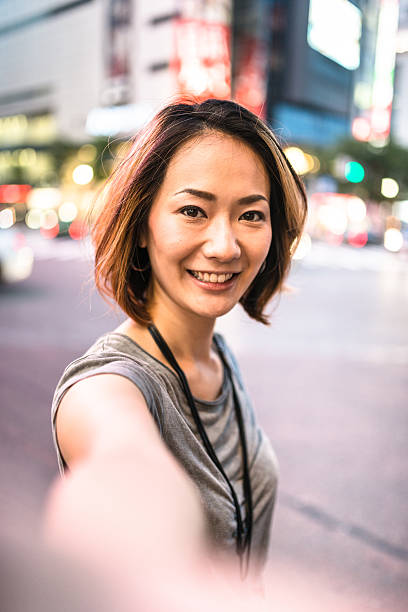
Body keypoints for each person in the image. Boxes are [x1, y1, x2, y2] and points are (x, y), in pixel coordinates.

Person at [50, 98, 307, 586]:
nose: (225, 246)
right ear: (142, 223)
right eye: (193, 210)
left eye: (251, 215)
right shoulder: (106, 386)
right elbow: (120, 454)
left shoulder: (217, 358)